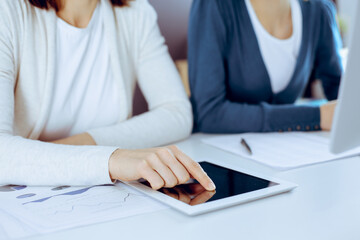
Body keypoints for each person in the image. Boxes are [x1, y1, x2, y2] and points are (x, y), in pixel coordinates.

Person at [0, 0, 216, 191]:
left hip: (105, 196)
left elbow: (177, 113)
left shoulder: (135, 12)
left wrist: (86, 142)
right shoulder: (8, 11)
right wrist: (112, 159)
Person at [189, 0, 342, 134]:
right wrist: (315, 117)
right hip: (217, 154)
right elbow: (210, 113)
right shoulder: (215, 5)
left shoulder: (319, 11)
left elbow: (339, 91)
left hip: (285, 151)